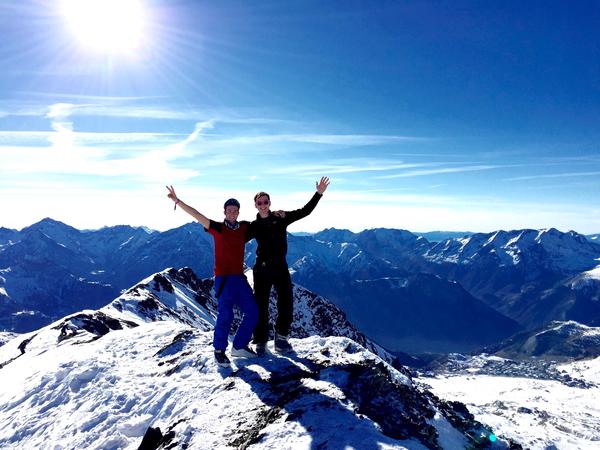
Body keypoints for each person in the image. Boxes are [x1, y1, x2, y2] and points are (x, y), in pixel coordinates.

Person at [166, 185, 258, 367]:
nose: (232, 213)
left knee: (253, 311)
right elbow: (197, 215)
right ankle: (219, 350)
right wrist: (178, 201)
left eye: (235, 210)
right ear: (224, 212)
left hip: (239, 278)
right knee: (226, 315)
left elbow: (263, 222)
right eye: (229, 210)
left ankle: (239, 346)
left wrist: (278, 214)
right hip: (224, 279)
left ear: (238, 212)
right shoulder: (217, 227)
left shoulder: (245, 228)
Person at [250, 176, 330, 354]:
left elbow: (304, 211)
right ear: (255, 205)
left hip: (280, 267)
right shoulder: (253, 226)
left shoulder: (281, 218)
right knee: (261, 306)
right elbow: (234, 238)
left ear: (270, 203)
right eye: (259, 202)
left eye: (265, 201)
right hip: (262, 269)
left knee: (286, 303)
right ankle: (261, 341)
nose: (263, 205)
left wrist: (318, 194)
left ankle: (281, 338)